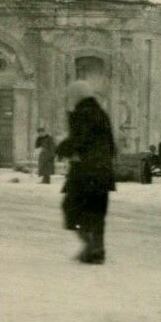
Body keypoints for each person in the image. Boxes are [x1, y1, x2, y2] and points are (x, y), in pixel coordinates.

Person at [56, 81, 115, 265]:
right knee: (96, 211)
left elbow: (80, 139)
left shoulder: (83, 113)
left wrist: (62, 149)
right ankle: (97, 250)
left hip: (85, 172)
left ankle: (91, 247)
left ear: (76, 95)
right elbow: (111, 146)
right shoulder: (101, 113)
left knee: (71, 208)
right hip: (102, 172)